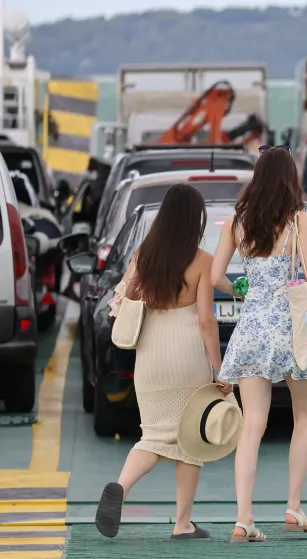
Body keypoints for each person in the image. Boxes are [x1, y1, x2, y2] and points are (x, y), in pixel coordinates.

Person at [211, 147, 307, 543]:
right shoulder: (298, 220)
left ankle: (243, 519)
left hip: (252, 327)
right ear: (291, 178)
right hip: (292, 330)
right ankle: (293, 507)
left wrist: (244, 289)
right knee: (305, 417)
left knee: (252, 425)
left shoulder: (238, 223)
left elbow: (216, 276)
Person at [94, 184, 237, 540]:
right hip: (187, 354)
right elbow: (206, 320)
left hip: (151, 355)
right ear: (195, 220)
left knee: (154, 435)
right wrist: (219, 368)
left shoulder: (146, 252)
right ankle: (182, 523)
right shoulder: (202, 260)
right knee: (190, 441)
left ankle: (121, 487)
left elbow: (124, 295)